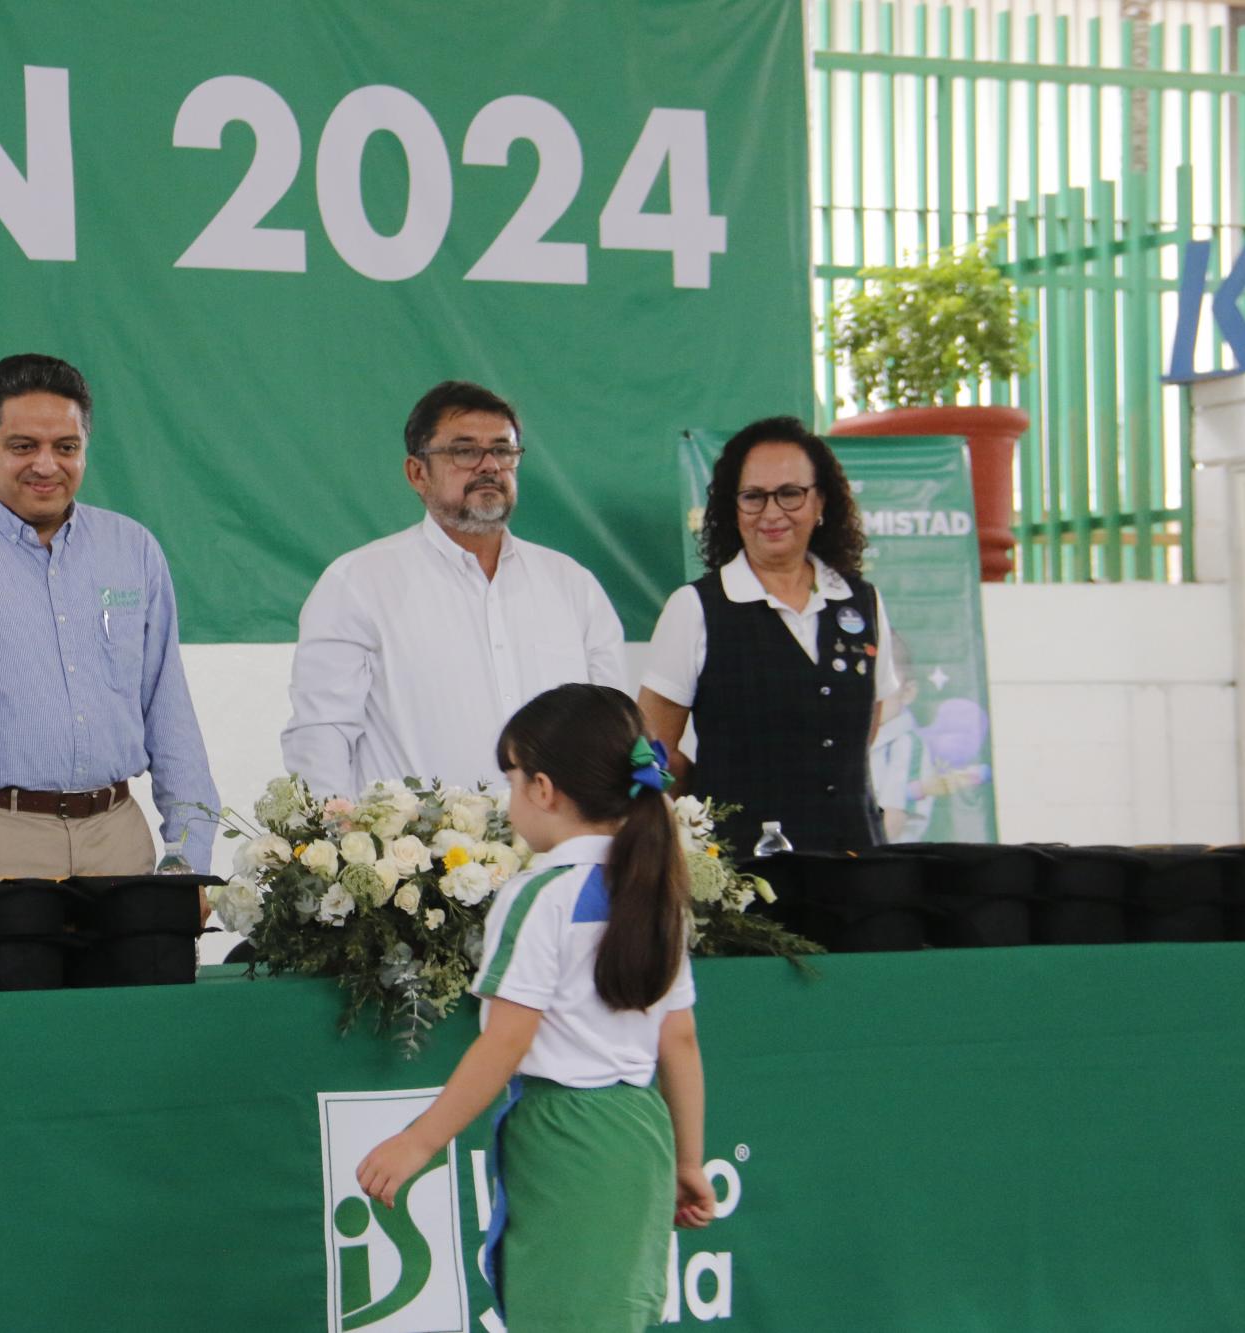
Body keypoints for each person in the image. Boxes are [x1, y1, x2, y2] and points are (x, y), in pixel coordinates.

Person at [356, 684, 712, 1331]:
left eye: (513, 778)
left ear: (544, 789)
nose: (512, 795)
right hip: (642, 1133)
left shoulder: (538, 894)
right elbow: (680, 1042)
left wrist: (420, 1142)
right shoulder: (658, 888)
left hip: (564, 1133)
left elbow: (504, 1042)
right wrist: (688, 1160)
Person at [0, 353, 218, 882]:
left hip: (120, 841)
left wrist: (190, 861)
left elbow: (172, 719)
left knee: (148, 972)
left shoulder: (133, 549)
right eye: (23, 446)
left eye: (66, 447)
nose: (46, 465)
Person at [281, 381, 627, 800]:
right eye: (464, 451)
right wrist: (337, 845)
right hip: (418, 859)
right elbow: (321, 735)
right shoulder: (358, 583)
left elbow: (614, 733)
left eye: (502, 450)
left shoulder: (573, 585)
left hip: (555, 857)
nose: (489, 466)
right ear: (417, 473)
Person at [638, 416, 899, 854]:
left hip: (857, 860)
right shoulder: (696, 607)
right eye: (753, 497)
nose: (772, 513)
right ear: (731, 508)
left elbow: (863, 729)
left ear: (821, 503)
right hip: (741, 874)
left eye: (790, 494)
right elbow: (649, 750)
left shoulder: (862, 602)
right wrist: (699, 817)